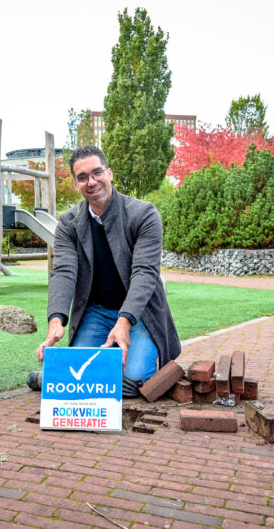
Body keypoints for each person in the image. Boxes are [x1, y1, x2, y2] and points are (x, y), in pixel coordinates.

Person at [34, 145, 180, 395]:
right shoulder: (69, 224)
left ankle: (48, 378)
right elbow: (64, 272)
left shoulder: (144, 214)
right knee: (75, 372)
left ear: (109, 173)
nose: (91, 182)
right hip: (98, 312)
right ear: (76, 184)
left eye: (97, 172)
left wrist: (124, 321)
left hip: (140, 314)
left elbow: (145, 273)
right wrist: (56, 319)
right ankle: (51, 375)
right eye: (82, 177)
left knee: (132, 382)